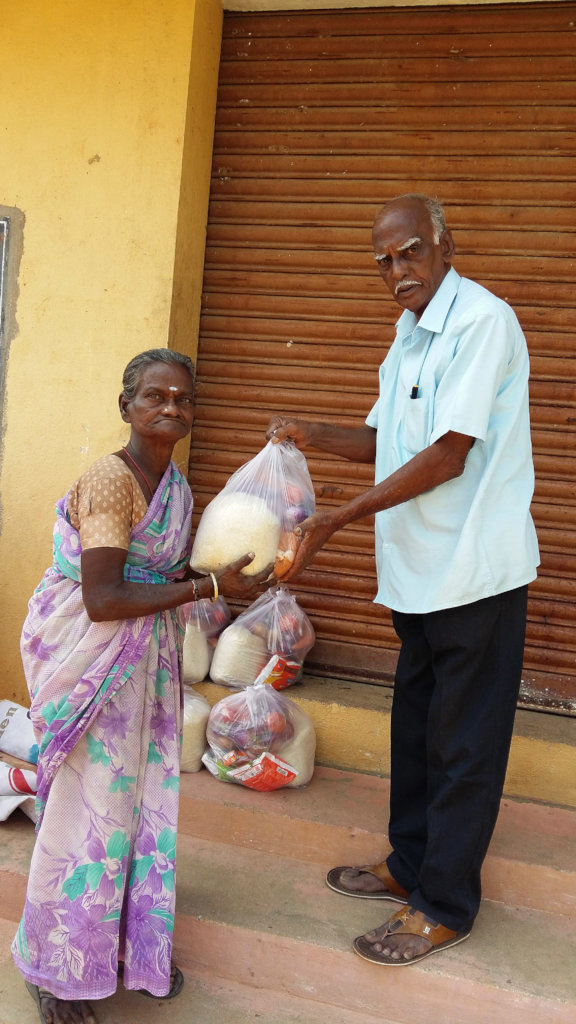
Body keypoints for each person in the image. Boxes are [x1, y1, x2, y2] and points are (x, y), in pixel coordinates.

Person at [267, 194, 539, 967]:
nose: (397, 271)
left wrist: (334, 521)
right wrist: (310, 433)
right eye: (383, 260)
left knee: (464, 743)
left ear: (446, 244)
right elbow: (388, 437)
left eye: (410, 251)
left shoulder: (483, 323)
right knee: (417, 730)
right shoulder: (408, 334)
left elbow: (449, 454)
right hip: (417, 575)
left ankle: (445, 903)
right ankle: (411, 865)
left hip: (475, 573)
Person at [13, 349, 271, 1023]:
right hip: (89, 654)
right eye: (155, 397)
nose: (171, 409)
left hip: (141, 661)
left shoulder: (175, 485)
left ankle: (127, 946)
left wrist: (243, 563)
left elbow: (164, 569)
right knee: (83, 811)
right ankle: (57, 968)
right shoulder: (109, 480)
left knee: (133, 808)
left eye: (183, 399)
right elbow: (102, 597)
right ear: (126, 406)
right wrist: (211, 587)